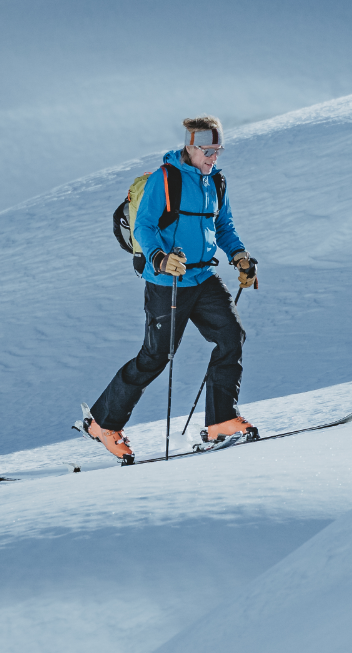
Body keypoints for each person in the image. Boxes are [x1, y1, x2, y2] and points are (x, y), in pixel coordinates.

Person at [80, 116, 260, 463]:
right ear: (191, 146)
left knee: (230, 337)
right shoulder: (166, 179)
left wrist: (239, 255)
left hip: (203, 277)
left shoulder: (216, 182)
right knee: (156, 357)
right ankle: (102, 423)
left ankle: (221, 421)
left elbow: (223, 225)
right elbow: (144, 225)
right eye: (208, 150)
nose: (213, 157)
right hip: (167, 281)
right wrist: (159, 258)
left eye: (217, 150)